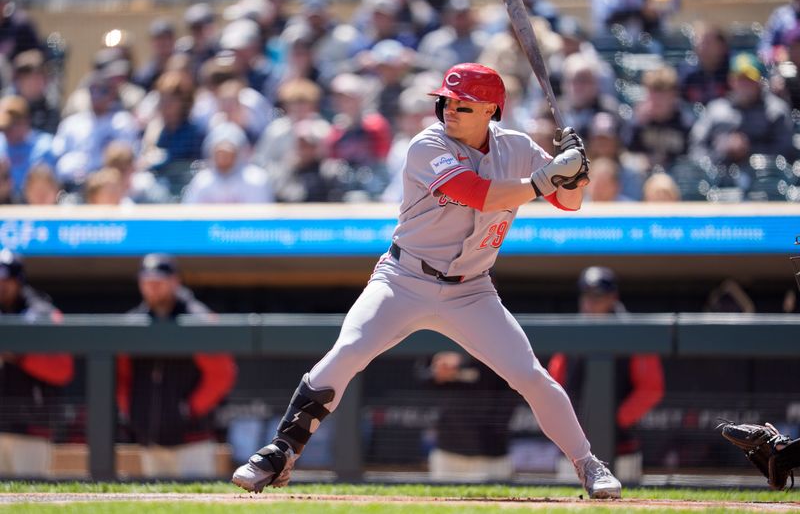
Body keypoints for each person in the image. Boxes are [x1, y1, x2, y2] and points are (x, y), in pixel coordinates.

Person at [231, 63, 622, 499]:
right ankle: (280, 452)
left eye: (462, 104)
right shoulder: (426, 144)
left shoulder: (517, 147)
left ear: (491, 109)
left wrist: (577, 172)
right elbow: (477, 192)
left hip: (471, 288)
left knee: (529, 374)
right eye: (446, 101)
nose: (449, 109)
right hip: (404, 277)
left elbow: (569, 202)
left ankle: (588, 464)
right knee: (348, 351)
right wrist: (545, 178)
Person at [117, 253, 237, 478]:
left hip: (192, 439)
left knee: (198, 504)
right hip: (148, 437)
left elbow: (221, 375)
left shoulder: (197, 319)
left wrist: (188, 409)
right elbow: (122, 376)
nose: (152, 287)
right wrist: (133, 409)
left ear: (175, 281)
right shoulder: (134, 322)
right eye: (147, 281)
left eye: (158, 281)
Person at [548, 266, 664, 483]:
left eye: (597, 297)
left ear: (613, 297)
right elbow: (554, 381)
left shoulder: (633, 334)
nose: (590, 303)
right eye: (586, 296)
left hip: (620, 446)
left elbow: (650, 388)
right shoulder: (572, 332)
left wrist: (613, 421)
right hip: (574, 445)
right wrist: (569, 422)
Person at [0, 249, 73, 476]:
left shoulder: (43, 312)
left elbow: (63, 370)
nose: (2, 286)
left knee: (31, 497)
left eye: (7, 280)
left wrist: (19, 356)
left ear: (18, 280)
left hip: (32, 427)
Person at [423, 351, 517, 482]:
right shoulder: (446, 340)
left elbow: (523, 380)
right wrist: (439, 369)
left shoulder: (507, 348)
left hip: (491, 454)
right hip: (448, 452)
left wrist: (466, 361)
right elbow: (420, 376)